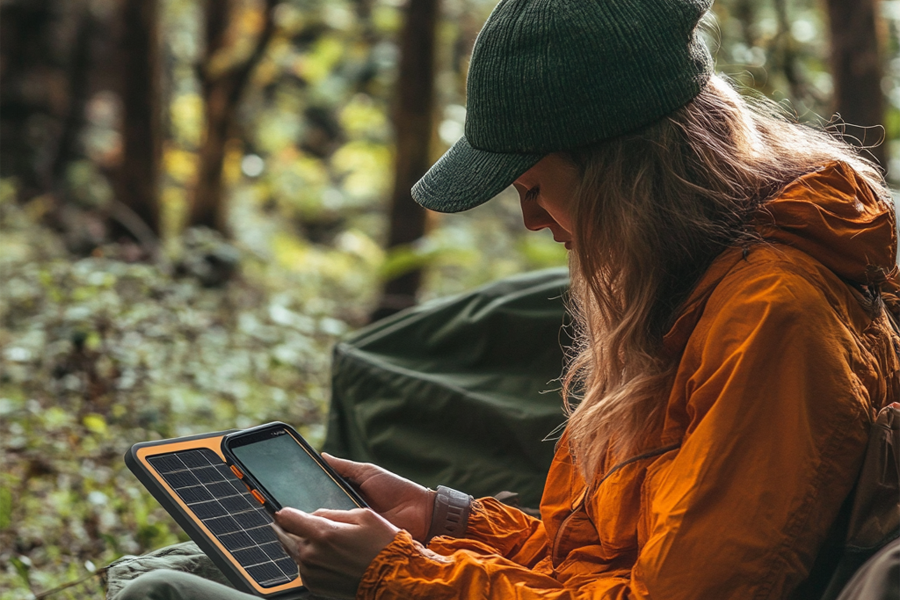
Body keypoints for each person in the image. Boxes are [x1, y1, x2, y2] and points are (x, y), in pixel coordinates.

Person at [116, 0, 900, 598]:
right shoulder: (692, 292)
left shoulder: (774, 318)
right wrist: (439, 519)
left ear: (623, 175)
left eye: (533, 188)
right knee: (199, 560)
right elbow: (595, 556)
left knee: (165, 590)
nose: (531, 220)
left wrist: (400, 574)